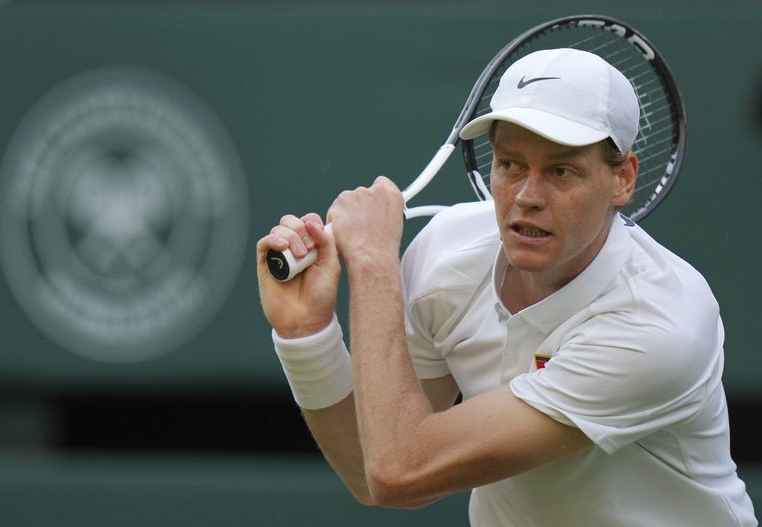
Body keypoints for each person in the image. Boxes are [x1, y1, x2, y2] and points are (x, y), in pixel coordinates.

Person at [256, 48, 758, 526]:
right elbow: (373, 470)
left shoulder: (660, 326)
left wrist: (372, 262)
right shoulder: (444, 259)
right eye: (510, 165)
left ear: (623, 179)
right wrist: (307, 334)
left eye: (561, 170)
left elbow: (401, 471)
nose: (526, 196)